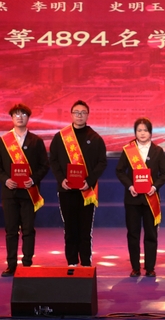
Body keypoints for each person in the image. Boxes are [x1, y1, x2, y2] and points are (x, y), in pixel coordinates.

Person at [0, 103, 49, 277]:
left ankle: (27, 263)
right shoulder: (3, 141)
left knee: (28, 229)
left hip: (29, 192)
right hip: (10, 192)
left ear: (28, 118)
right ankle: (11, 265)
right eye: (16, 114)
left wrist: (33, 179)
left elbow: (44, 166)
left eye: (23, 114)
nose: (20, 117)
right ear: (11, 118)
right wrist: (5, 180)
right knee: (11, 230)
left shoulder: (36, 141)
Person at [50, 100, 107, 267]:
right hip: (66, 189)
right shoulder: (61, 137)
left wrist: (89, 181)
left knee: (85, 229)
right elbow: (53, 160)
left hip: (86, 191)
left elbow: (102, 163)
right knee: (70, 228)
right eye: (76, 112)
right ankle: (72, 261)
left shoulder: (95, 138)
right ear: (71, 114)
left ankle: (86, 262)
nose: (79, 115)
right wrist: (61, 179)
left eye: (83, 112)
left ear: (87, 115)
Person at [115, 118, 165, 277]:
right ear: (135, 133)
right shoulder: (128, 150)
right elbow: (120, 171)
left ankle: (150, 268)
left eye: (145, 130)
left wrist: (154, 187)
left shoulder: (158, 151)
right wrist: (130, 186)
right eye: (139, 130)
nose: (142, 133)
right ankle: (135, 267)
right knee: (133, 233)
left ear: (150, 133)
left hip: (151, 199)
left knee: (151, 234)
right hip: (132, 199)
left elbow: (164, 174)